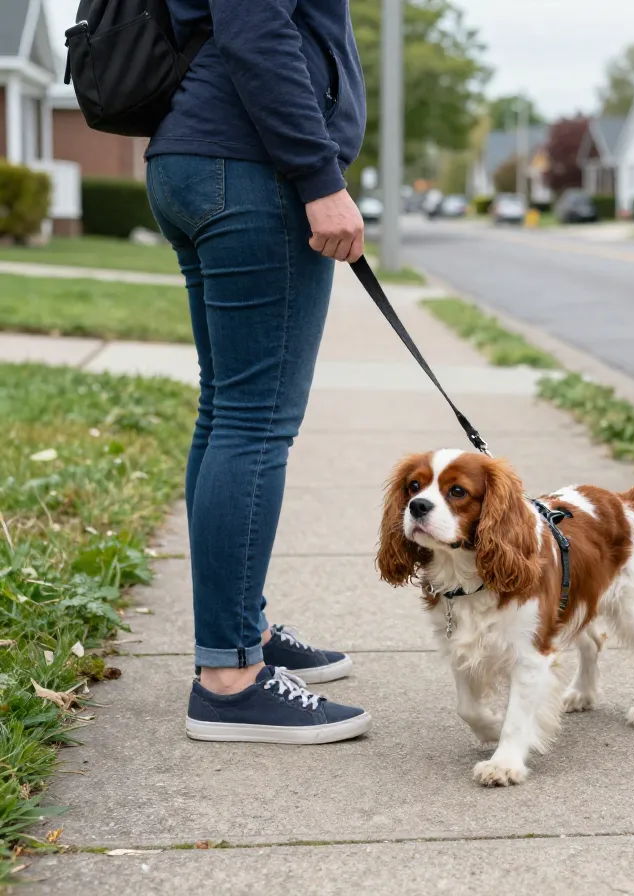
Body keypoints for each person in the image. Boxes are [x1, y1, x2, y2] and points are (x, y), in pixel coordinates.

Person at [143, 0, 373, 744]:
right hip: (248, 167)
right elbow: (256, 28)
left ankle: (241, 632)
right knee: (255, 420)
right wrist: (318, 174)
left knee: (229, 411)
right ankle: (231, 680)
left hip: (204, 157)